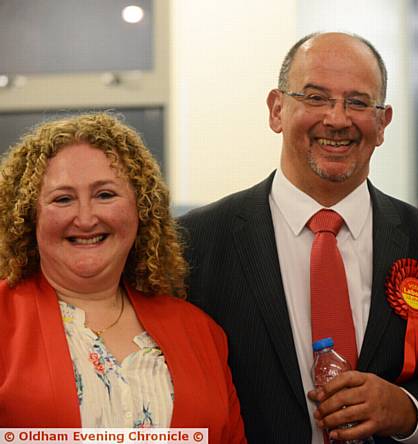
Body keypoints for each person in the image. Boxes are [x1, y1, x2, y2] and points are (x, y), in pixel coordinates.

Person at [179, 32, 418, 443]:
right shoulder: (195, 243)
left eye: (358, 102)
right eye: (315, 98)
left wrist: (409, 410)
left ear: (383, 122)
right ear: (277, 109)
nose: (337, 119)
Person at [0, 113, 246, 443]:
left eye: (105, 195)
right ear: (29, 216)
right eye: (63, 199)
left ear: (140, 209)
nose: (86, 218)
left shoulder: (200, 332)